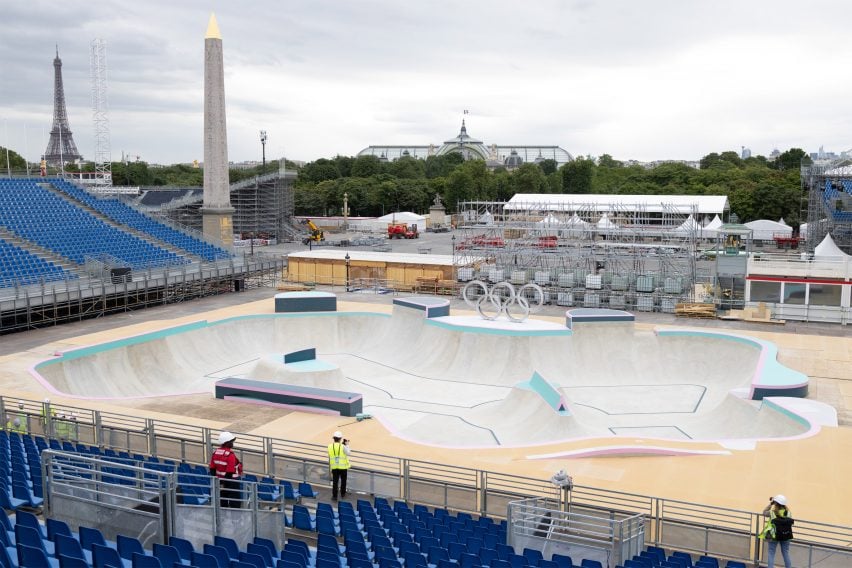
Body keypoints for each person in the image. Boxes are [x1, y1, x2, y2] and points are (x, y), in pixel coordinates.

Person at [209, 431, 243, 508]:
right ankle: (235, 519)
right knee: (235, 502)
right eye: (231, 441)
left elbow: (212, 469)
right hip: (232, 482)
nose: (232, 443)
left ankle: (223, 518)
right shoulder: (230, 455)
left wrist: (220, 483)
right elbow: (230, 472)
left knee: (222, 501)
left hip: (220, 481)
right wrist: (225, 484)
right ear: (226, 442)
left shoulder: (216, 452)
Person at [759, 494, 793, 568]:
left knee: (771, 553)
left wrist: (771, 504)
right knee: (785, 553)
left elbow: (764, 512)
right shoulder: (789, 513)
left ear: (776, 503)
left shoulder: (772, 513)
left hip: (774, 535)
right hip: (786, 535)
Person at [327, 430, 351, 501]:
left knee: (335, 482)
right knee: (343, 481)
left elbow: (330, 455)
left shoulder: (330, 446)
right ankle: (343, 493)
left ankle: (334, 496)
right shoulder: (342, 446)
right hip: (343, 467)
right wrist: (347, 445)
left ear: (333, 438)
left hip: (334, 467)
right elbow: (348, 453)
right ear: (340, 439)